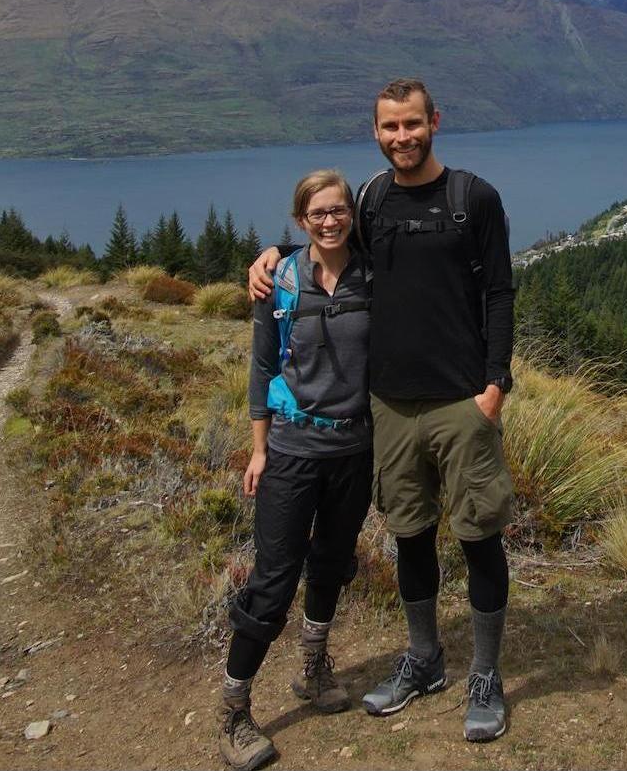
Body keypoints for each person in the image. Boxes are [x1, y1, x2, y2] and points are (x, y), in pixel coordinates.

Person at [248, 78, 515, 743]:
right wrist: (276, 252)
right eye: (390, 127)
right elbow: (330, 241)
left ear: (434, 122)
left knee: (478, 534)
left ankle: (484, 673)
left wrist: (494, 385)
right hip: (391, 405)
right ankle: (423, 659)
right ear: (376, 131)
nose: (402, 136)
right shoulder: (370, 199)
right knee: (411, 534)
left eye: (412, 124)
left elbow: (501, 291)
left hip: (461, 399)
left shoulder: (472, 198)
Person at [220, 169, 373, 771]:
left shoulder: (372, 273)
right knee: (274, 579)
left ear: (351, 216)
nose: (331, 221)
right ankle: (233, 708)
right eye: (318, 215)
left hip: (353, 451)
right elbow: (261, 370)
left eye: (339, 211)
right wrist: (259, 449)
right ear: (300, 220)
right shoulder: (280, 281)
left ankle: (313, 667)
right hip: (290, 451)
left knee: (333, 564)